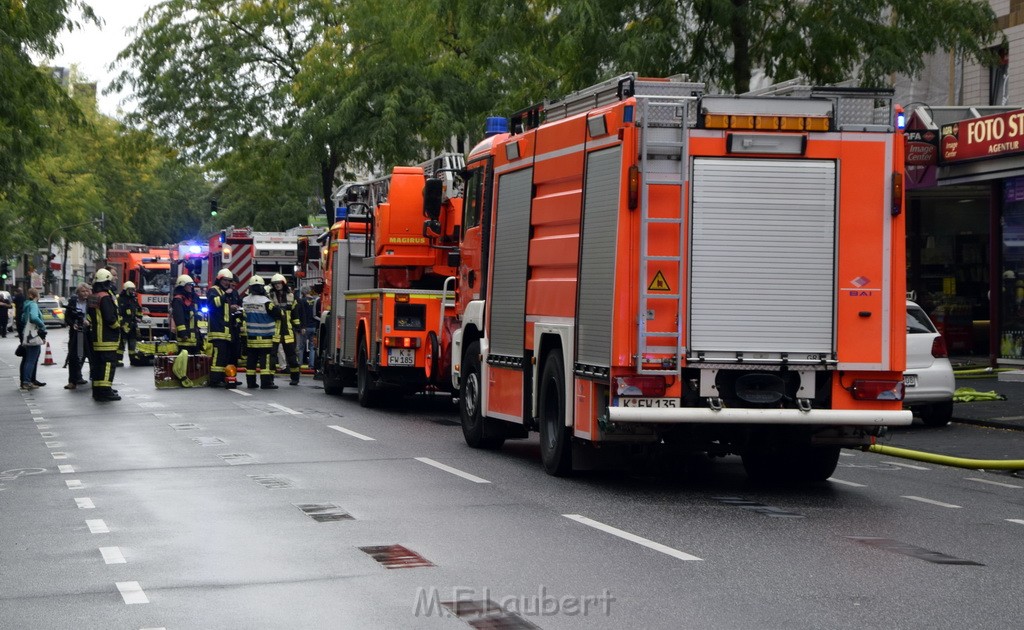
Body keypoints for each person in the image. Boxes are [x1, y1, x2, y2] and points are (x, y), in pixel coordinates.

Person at [87, 269, 122, 402]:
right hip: (107, 337)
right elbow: (110, 318)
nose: (113, 283)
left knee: (98, 365)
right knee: (108, 365)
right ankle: (105, 391)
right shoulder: (105, 297)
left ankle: (98, 390)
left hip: (96, 337)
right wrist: (117, 327)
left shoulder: (94, 296)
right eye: (111, 281)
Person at [242, 276, 281, 389]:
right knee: (265, 362)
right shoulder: (266, 302)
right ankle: (266, 383)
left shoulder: (245, 300)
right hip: (265, 337)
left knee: (251, 362)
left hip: (251, 337)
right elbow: (278, 314)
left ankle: (251, 383)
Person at [207, 269, 239, 387]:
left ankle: (223, 377)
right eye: (225, 280)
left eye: (229, 281)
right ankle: (214, 379)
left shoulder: (228, 292)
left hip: (227, 330)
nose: (227, 283)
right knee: (218, 356)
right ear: (219, 280)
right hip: (217, 329)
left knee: (226, 356)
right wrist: (226, 295)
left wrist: (233, 308)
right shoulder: (214, 290)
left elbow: (225, 309)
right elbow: (212, 305)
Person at [269, 273, 301, 386]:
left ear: (283, 284)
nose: (277, 285)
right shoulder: (270, 296)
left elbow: (295, 313)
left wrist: (298, 327)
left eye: (279, 283)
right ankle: (270, 378)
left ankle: (295, 378)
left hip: (288, 330)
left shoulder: (291, 296)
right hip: (275, 330)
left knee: (291, 355)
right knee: (272, 356)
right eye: (275, 284)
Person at [18, 288, 47, 390]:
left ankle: (26, 381)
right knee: (31, 360)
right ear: (35, 295)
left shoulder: (26, 305)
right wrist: (42, 326)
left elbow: (22, 318)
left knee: (28, 359)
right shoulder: (33, 304)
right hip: (33, 334)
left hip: (26, 334)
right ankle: (27, 382)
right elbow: (34, 317)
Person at [64, 283, 91, 390]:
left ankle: (94, 379)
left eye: (87, 291)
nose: (85, 293)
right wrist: (72, 324)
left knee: (89, 355)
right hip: (76, 332)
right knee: (74, 356)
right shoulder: (73, 302)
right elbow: (67, 316)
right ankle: (72, 381)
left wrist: (89, 322)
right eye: (83, 291)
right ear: (77, 293)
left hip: (89, 332)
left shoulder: (92, 301)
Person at [170, 274, 202, 354]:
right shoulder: (178, 300)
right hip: (185, 339)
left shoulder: (192, 299)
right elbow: (178, 317)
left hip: (195, 336)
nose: (191, 287)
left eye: (191, 285)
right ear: (182, 286)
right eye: (188, 285)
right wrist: (183, 333)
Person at [116, 280, 143, 367]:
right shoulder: (119, 299)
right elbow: (117, 312)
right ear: (126, 290)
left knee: (133, 343)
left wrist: (139, 317)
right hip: (123, 324)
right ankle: (118, 360)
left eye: (133, 290)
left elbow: (139, 309)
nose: (132, 292)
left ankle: (133, 359)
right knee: (121, 343)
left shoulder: (134, 299)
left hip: (133, 325)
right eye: (131, 290)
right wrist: (121, 323)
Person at [296, 286, 319, 368]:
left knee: (301, 347)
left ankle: (300, 364)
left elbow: (300, 314)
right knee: (312, 347)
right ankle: (311, 365)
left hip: (304, 327)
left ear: (302, 292)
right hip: (314, 327)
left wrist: (300, 327)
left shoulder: (302, 301)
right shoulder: (315, 300)